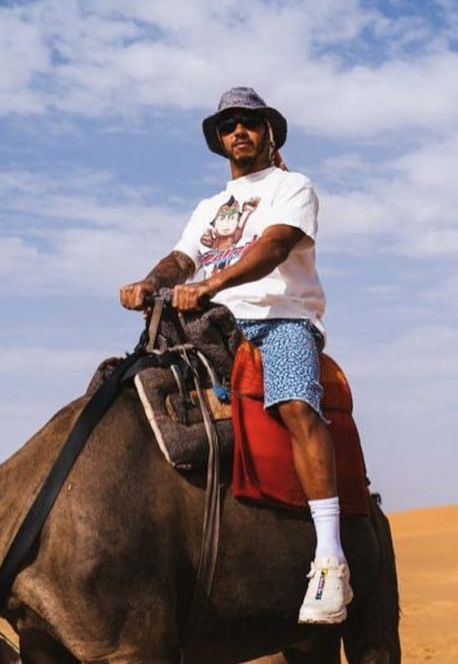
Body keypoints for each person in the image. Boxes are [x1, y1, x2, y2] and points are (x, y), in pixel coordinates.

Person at [121, 86, 351, 624]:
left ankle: (330, 559)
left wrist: (213, 283)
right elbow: (183, 257)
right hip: (209, 322)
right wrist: (150, 281)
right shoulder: (208, 207)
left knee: (296, 406)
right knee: (131, 395)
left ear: (270, 132)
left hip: (279, 318)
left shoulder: (292, 187)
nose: (238, 131)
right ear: (219, 140)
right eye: (228, 125)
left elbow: (273, 247)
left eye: (249, 122)